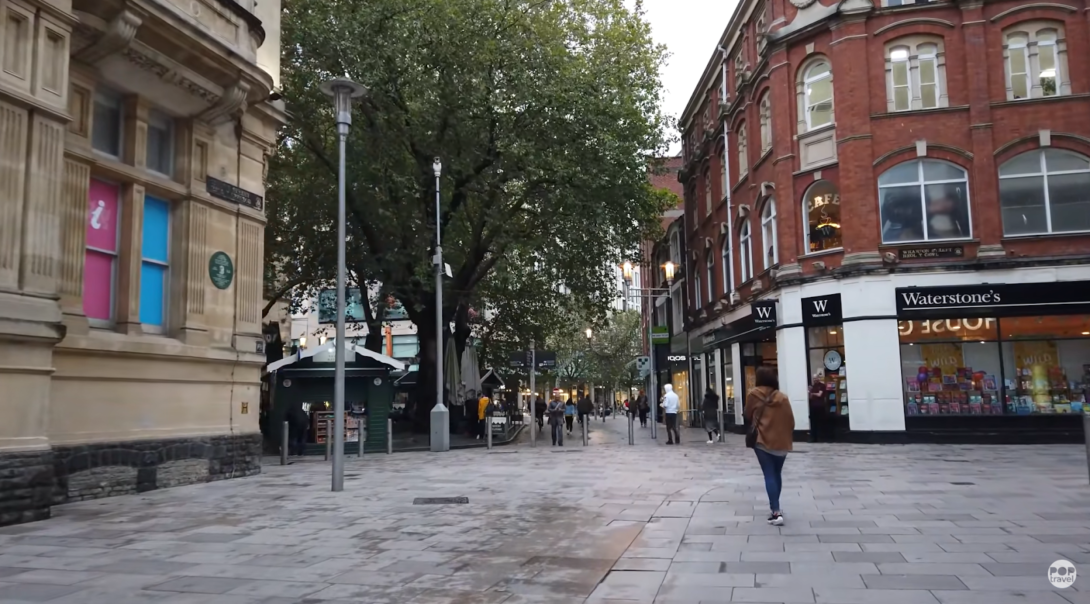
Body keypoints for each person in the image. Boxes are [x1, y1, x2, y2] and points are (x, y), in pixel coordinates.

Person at [744, 366, 795, 526]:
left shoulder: (754, 394)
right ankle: (776, 506)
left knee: (769, 474)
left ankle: (776, 511)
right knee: (776, 473)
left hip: (762, 440)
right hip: (782, 442)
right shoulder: (783, 398)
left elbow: (747, 414)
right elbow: (791, 421)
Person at [808, 374, 827, 443]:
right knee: (813, 422)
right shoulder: (812, 387)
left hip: (820, 406)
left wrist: (812, 393)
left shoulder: (822, 386)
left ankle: (821, 437)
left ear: (819, 378)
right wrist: (810, 392)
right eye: (814, 378)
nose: (815, 379)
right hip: (813, 406)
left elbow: (820, 395)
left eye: (816, 378)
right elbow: (810, 397)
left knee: (820, 422)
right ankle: (813, 438)